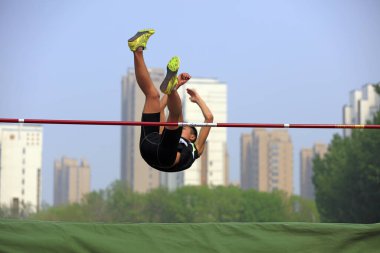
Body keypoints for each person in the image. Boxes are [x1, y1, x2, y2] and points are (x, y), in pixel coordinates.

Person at [128, 29, 213, 172]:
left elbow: (209, 118)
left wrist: (197, 98)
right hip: (150, 143)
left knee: (176, 117)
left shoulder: (196, 148)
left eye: (185, 128)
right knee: (153, 96)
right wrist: (177, 86)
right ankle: (137, 49)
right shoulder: (169, 133)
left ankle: (172, 88)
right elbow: (160, 108)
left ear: (192, 136)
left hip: (165, 158)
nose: (183, 127)